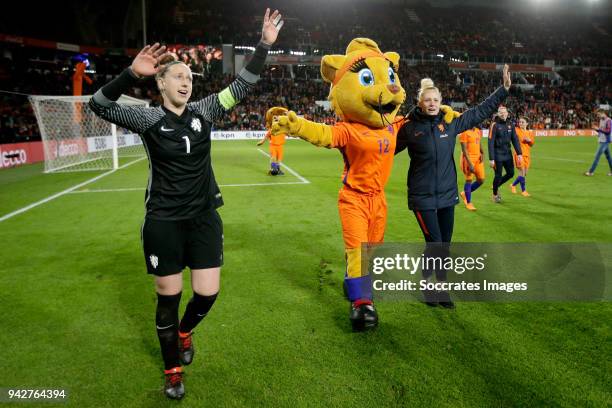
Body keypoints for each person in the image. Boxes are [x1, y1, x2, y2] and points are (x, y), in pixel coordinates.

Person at [88, 8, 283, 400]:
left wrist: (263, 45)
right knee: (168, 295)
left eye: (188, 77)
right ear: (160, 82)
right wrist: (130, 74)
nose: (186, 82)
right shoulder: (145, 119)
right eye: (177, 76)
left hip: (203, 218)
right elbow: (99, 104)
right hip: (163, 220)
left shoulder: (205, 111)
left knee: (208, 293)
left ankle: (184, 331)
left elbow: (243, 84)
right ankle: (172, 369)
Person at [395, 65, 512, 308]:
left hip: (447, 195)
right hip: (423, 197)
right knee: (435, 243)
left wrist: (504, 90)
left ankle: (439, 287)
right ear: (419, 102)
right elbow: (383, 150)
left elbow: (479, 112)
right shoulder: (408, 128)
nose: (432, 103)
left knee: (443, 246)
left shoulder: (450, 124)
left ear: (441, 101)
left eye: (436, 99)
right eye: (427, 100)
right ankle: (430, 286)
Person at [488, 106, 523, 203]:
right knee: (498, 175)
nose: (503, 114)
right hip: (497, 154)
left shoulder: (510, 125)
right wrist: (491, 158)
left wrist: (519, 153)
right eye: (501, 113)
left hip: (507, 154)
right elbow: (490, 142)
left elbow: (515, 139)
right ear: (498, 114)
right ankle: (495, 194)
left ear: (507, 113)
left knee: (511, 173)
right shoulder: (494, 125)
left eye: (505, 112)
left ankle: (496, 185)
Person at [458, 126, 485, 211]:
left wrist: (482, 153)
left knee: (481, 180)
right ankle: (469, 203)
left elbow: (479, 142)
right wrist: (469, 163)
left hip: (478, 158)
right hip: (468, 159)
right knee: (469, 180)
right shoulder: (464, 132)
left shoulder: (477, 130)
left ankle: (464, 194)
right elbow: (464, 150)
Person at [257, 106, 287, 175]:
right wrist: (262, 142)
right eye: (274, 118)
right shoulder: (271, 129)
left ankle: (278, 170)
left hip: (280, 146)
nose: (276, 119)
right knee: (273, 158)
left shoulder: (283, 128)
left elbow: (289, 131)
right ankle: (272, 170)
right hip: (273, 146)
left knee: (279, 160)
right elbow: (267, 136)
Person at [511, 116, 535, 196]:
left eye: (522, 122)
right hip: (519, 154)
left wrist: (529, 140)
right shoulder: (517, 130)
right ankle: (523, 191)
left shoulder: (530, 133)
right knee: (522, 172)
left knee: (524, 174)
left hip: (527, 155)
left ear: (527, 123)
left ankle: (513, 185)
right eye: (520, 122)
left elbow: (532, 144)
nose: (520, 123)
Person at [584, 109, 612, 176]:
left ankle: (591, 172)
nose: (598, 116)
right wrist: (596, 130)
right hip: (602, 140)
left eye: (599, 114)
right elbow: (601, 131)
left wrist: (599, 129)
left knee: (597, 156)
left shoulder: (609, 120)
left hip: (605, 141)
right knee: (608, 157)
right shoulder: (601, 120)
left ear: (603, 113)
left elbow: (608, 131)